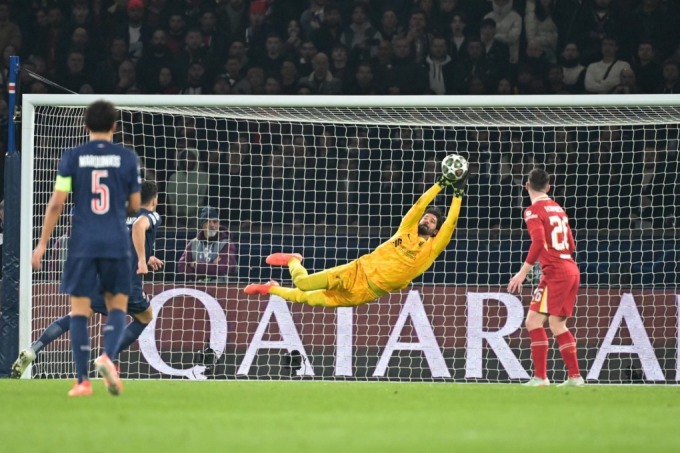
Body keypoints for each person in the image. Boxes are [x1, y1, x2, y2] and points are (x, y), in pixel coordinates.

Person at [30, 100, 141, 397]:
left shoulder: (72, 158)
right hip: (116, 241)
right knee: (117, 305)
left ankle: (81, 382)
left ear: (85, 126)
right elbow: (134, 204)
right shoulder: (127, 158)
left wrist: (41, 245)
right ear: (115, 127)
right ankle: (107, 356)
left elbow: (56, 203)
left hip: (82, 243)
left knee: (79, 311)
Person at [244, 172, 468, 307]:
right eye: (426, 218)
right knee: (303, 284)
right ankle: (293, 260)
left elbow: (450, 223)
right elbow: (419, 204)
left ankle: (270, 289)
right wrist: (440, 183)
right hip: (356, 271)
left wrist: (458, 193)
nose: (426, 221)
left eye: (431, 222)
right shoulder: (405, 230)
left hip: (367, 293)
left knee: (308, 300)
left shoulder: (431, 249)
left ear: (435, 231)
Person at [12, 181, 163, 379]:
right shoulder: (150, 215)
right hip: (126, 283)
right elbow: (138, 227)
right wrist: (142, 261)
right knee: (145, 317)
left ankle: (33, 349)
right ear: (154, 200)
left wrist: (145, 255)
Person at [507, 168, 583, 388]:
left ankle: (542, 378)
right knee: (554, 323)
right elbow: (571, 244)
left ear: (526, 186)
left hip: (557, 272)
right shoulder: (558, 209)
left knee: (539, 322)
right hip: (570, 268)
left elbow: (538, 241)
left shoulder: (532, 211)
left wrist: (522, 273)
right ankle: (573, 377)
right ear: (548, 187)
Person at [176, 207, 237, 283]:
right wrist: (212, 266)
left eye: (215, 222)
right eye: (208, 221)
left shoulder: (227, 244)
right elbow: (182, 268)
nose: (212, 225)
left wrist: (196, 265)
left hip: (220, 287)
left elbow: (222, 269)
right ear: (202, 224)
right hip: (197, 287)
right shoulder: (193, 243)